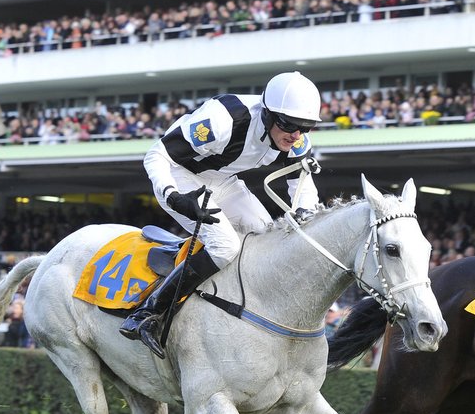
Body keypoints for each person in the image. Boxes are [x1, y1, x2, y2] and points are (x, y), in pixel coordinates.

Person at [120, 71, 323, 358]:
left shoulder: (296, 137)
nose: (295, 135)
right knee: (226, 246)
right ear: (267, 115)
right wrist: (173, 196)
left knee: (265, 233)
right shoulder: (224, 120)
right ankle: (149, 313)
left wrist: (307, 214)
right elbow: (157, 154)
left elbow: (302, 184)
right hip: (180, 177)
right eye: (289, 125)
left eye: (305, 127)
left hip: (223, 180)